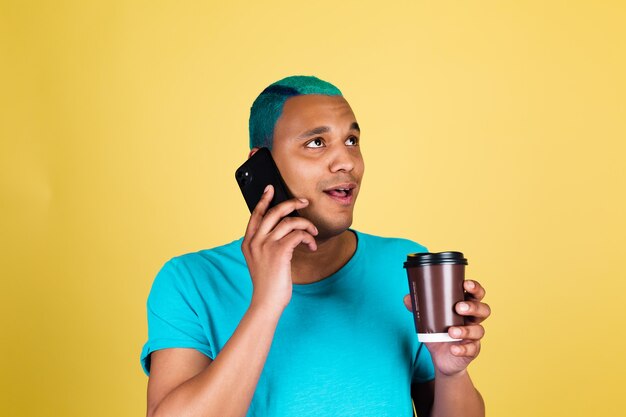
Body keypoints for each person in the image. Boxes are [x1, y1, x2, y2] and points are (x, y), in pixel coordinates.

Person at [140, 76, 491, 417]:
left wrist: (451, 373)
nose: (346, 162)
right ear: (262, 163)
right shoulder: (189, 282)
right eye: (316, 143)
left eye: (352, 140)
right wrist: (265, 304)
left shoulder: (405, 268)